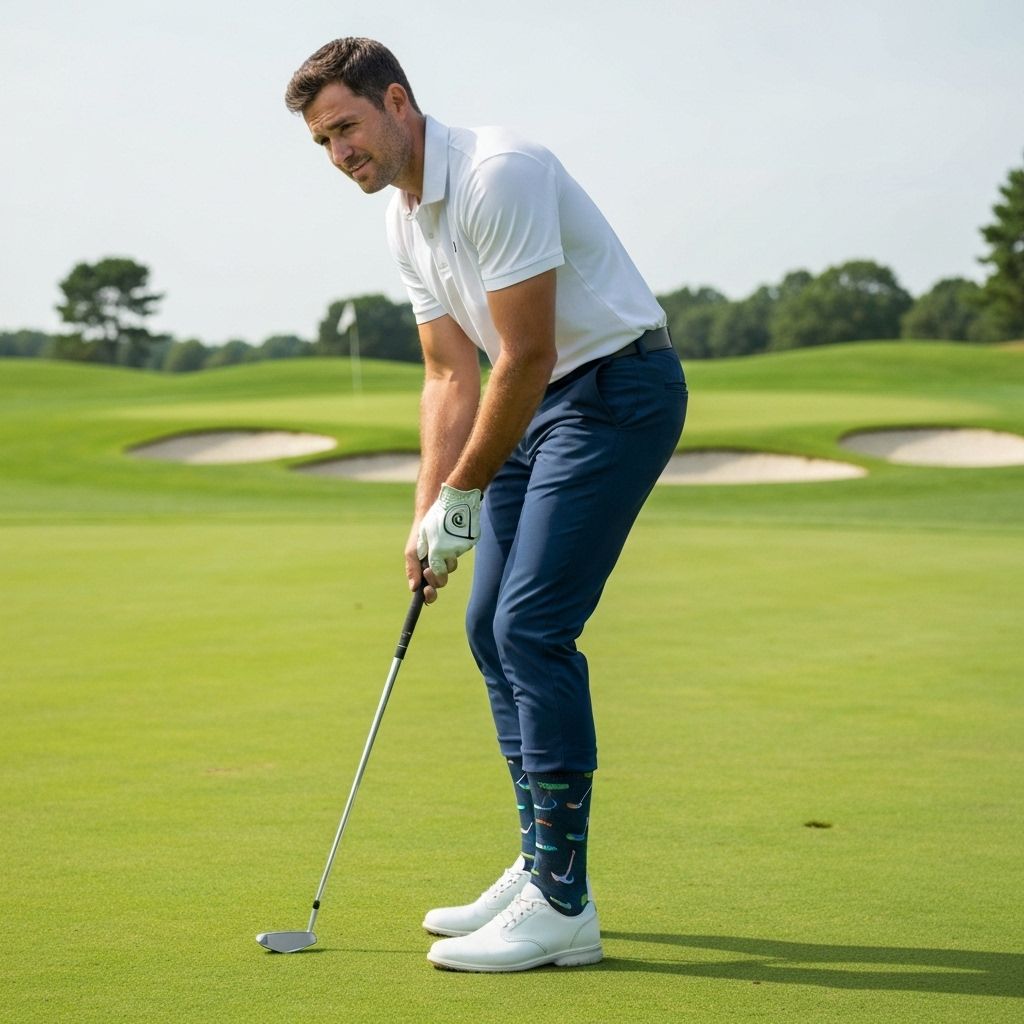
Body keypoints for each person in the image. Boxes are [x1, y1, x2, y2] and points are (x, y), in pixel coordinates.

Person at [285, 37, 687, 973]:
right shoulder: (402, 219)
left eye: (346, 127)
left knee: (532, 628)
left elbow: (529, 353)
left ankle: (563, 906)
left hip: (613, 393)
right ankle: (543, 859)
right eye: (323, 142)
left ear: (397, 101)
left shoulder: (498, 173)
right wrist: (430, 512)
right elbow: (445, 370)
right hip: (532, 405)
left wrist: (467, 489)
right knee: (484, 627)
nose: (341, 152)